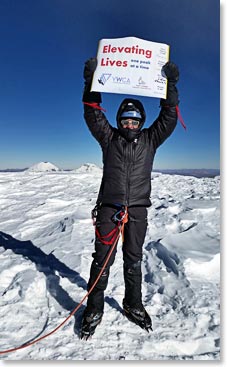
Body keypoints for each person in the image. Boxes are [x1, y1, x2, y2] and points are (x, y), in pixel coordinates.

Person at [80, 57, 179, 339]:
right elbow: (92, 112)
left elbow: (169, 115)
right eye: (125, 119)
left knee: (133, 260)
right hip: (109, 208)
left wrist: (170, 84)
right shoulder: (108, 138)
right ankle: (94, 308)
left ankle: (133, 304)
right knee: (102, 261)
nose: (130, 123)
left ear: (141, 121)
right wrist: (91, 82)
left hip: (137, 210)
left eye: (134, 119)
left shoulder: (151, 139)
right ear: (119, 120)